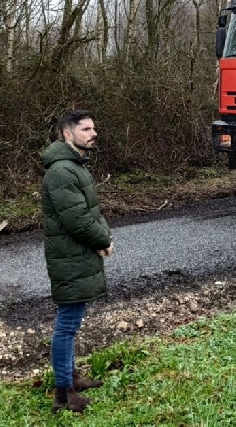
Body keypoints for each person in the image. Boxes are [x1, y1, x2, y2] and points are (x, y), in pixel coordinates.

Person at [41, 109, 114, 413]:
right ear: (68, 134)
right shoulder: (61, 171)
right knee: (67, 325)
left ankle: (71, 377)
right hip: (70, 258)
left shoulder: (75, 165)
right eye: (85, 129)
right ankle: (63, 393)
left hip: (76, 255)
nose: (92, 133)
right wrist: (103, 239)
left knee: (70, 323)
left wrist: (102, 235)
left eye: (93, 128)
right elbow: (77, 219)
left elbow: (89, 211)